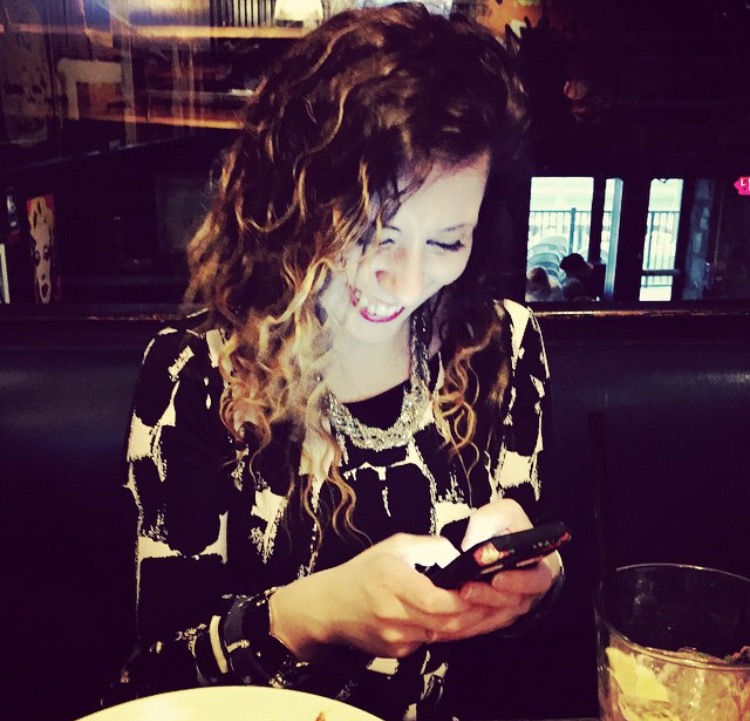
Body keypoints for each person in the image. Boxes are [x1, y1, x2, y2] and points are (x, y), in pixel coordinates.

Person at [109, 5, 563, 720]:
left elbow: (512, 650)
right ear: (293, 197)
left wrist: (536, 584)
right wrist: (317, 613)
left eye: (447, 241)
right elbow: (155, 681)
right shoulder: (197, 372)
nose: (405, 282)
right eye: (369, 228)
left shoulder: (503, 347)